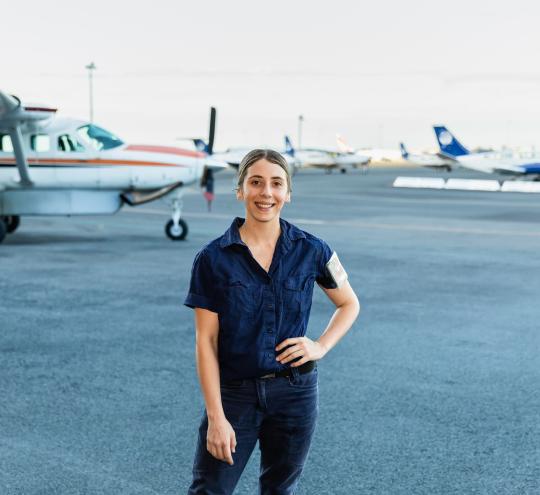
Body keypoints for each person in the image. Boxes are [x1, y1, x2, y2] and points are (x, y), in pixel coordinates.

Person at [184, 149, 360, 494]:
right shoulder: (212, 259)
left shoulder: (313, 249)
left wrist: (319, 345)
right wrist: (216, 418)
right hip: (235, 395)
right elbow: (205, 342)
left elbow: (349, 304)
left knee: (279, 490)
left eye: (276, 184)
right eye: (256, 182)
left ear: (288, 193)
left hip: (295, 393)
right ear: (240, 191)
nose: (266, 193)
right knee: (209, 490)